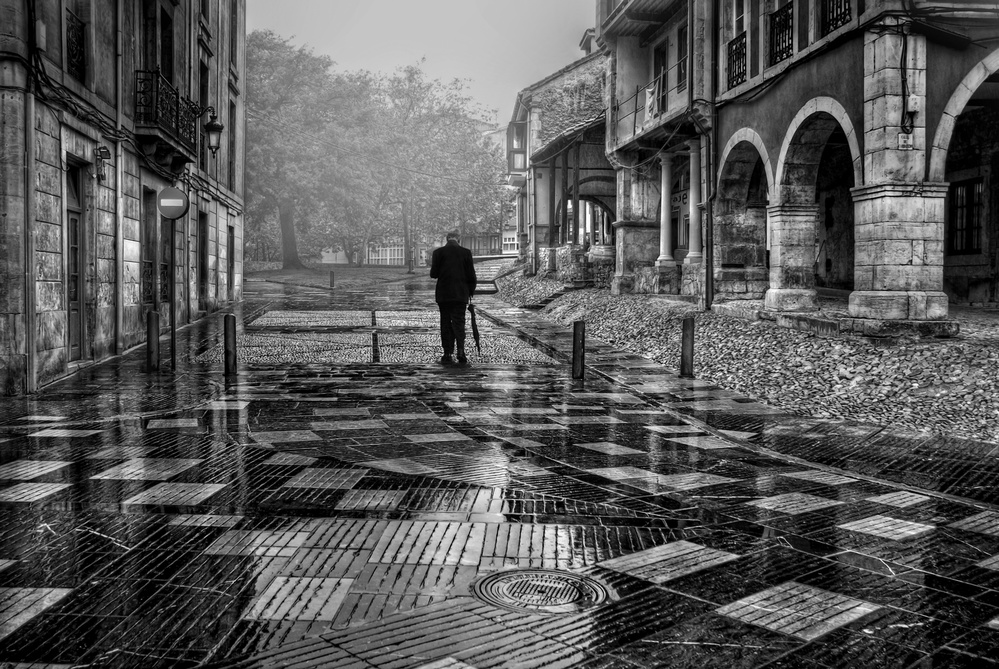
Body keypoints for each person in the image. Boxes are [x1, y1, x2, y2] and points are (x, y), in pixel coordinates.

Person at [429, 230, 477, 367]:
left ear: (447, 238)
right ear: (458, 239)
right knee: (459, 323)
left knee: (445, 323)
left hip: (444, 294)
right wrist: (470, 291)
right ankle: (461, 351)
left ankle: (447, 353)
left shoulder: (438, 253)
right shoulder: (466, 252)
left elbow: (433, 274)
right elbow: (471, 275)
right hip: (460, 294)